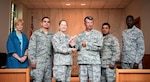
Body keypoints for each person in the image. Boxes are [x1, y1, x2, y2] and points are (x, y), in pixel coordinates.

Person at [76, 16, 103, 82]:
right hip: (83, 62)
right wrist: (72, 45)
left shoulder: (98, 34)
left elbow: (100, 47)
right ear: (84, 23)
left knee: (95, 80)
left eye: (91, 22)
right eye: (88, 22)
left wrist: (87, 44)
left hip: (94, 62)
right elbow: (77, 48)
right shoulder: (80, 35)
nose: (90, 24)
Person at [28, 16, 53, 82]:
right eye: (44, 21)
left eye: (48, 22)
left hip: (48, 63)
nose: (46, 23)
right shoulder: (36, 34)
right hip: (38, 63)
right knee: (37, 80)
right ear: (41, 23)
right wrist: (32, 60)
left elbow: (53, 50)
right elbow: (31, 48)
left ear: (50, 24)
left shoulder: (52, 35)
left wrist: (53, 61)